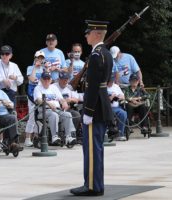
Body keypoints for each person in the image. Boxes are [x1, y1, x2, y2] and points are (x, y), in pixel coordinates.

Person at [70, 20, 113, 196]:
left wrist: (88, 112)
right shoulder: (105, 53)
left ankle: (92, 186)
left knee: (92, 149)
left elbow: (94, 86)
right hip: (101, 106)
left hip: (94, 108)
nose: (86, 35)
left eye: (88, 33)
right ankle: (96, 184)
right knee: (96, 148)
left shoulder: (96, 55)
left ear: (96, 34)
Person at [33, 71, 76, 145]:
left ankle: (68, 137)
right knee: (53, 115)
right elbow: (38, 100)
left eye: (48, 79)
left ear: (51, 80)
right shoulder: (38, 88)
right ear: (41, 80)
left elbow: (61, 98)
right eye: (45, 79)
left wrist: (64, 102)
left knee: (68, 115)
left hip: (57, 110)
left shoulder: (54, 87)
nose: (46, 80)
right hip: (44, 111)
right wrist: (48, 103)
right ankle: (54, 136)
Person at [24, 50, 45, 147]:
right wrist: (35, 67)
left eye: (42, 58)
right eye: (38, 57)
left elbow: (47, 81)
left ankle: (36, 138)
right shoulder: (30, 68)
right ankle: (27, 139)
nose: (40, 60)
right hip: (32, 92)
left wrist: (47, 69)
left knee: (40, 117)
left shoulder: (44, 69)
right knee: (32, 116)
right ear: (35, 58)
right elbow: (31, 79)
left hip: (41, 92)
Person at [107, 75, 127, 141]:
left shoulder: (116, 86)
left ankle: (120, 134)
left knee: (123, 113)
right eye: (110, 81)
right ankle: (110, 132)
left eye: (112, 80)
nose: (111, 82)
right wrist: (111, 97)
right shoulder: (103, 87)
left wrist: (119, 96)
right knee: (110, 113)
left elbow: (123, 96)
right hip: (107, 108)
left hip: (116, 107)